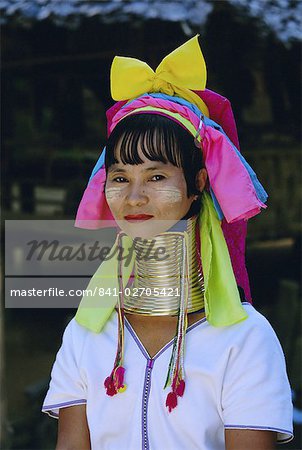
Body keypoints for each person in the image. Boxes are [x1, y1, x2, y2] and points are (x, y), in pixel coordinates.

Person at [42, 36, 293, 450]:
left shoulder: (245, 339)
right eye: (120, 177)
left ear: (197, 184)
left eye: (156, 177)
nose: (134, 197)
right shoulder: (86, 334)